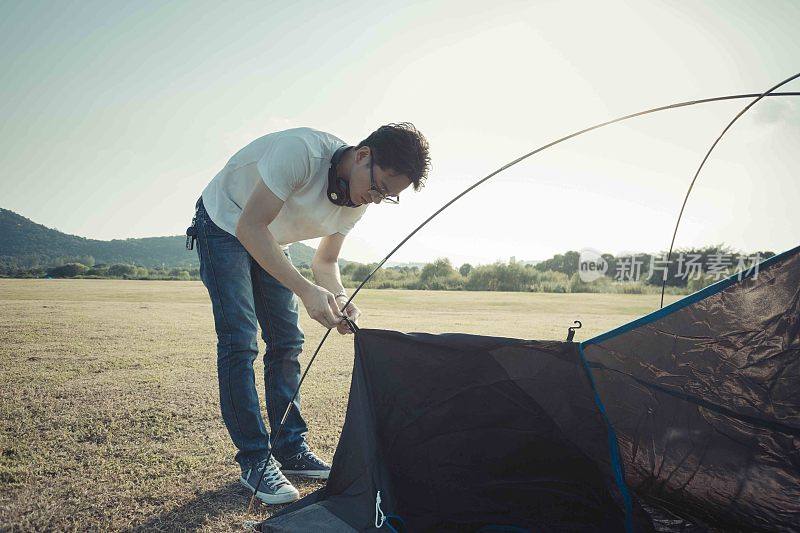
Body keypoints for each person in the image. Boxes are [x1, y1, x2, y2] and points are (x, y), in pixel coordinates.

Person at [189, 123, 431, 504]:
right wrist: (305, 291)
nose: (376, 199)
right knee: (239, 341)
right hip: (225, 222)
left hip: (271, 238)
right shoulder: (301, 151)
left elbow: (326, 261)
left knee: (287, 340)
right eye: (380, 187)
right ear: (364, 155)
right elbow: (250, 227)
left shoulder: (357, 204)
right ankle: (255, 460)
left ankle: (290, 448)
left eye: (388, 196)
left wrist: (337, 297)